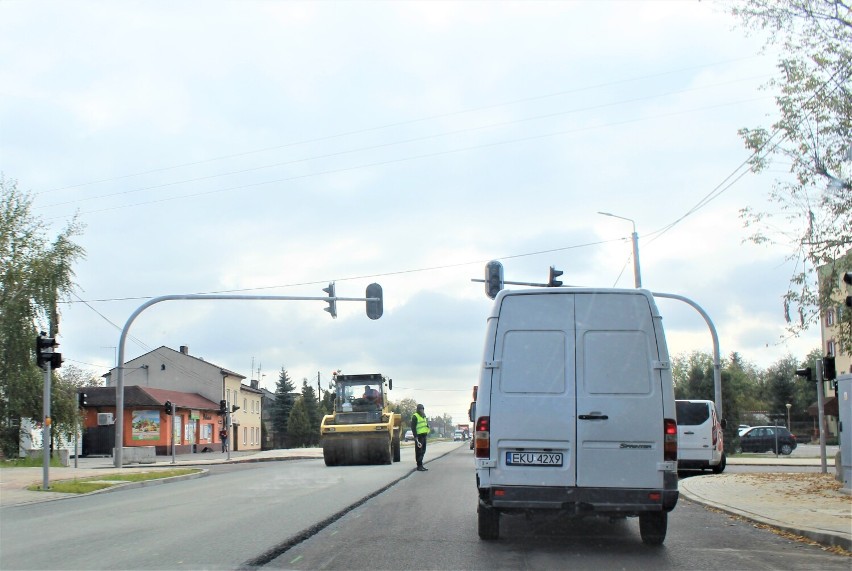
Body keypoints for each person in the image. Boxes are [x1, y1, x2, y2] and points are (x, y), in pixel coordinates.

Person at [411, 403, 429, 471]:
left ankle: (421, 464)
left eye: (422, 409)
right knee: (419, 451)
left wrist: (427, 429)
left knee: (423, 451)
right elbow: (413, 427)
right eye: (420, 409)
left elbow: (425, 425)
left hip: (424, 436)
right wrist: (415, 436)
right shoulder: (415, 416)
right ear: (418, 410)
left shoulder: (424, 416)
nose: (422, 410)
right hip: (419, 437)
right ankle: (419, 465)